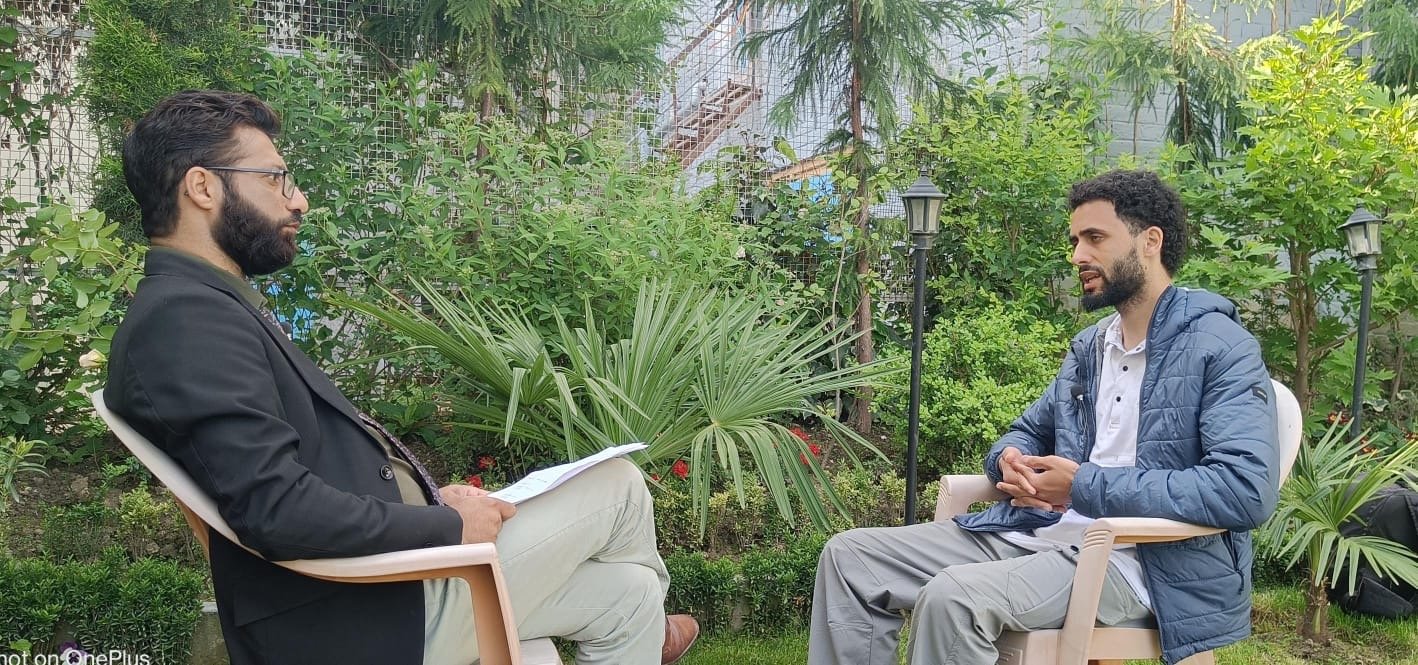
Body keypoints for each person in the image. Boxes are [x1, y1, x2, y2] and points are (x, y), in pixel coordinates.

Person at [104, 90, 699, 665]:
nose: (298, 200)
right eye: (276, 178)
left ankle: (652, 627)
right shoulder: (185, 321)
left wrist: (434, 501)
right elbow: (276, 509)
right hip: (363, 616)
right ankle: (659, 632)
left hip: (378, 593)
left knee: (628, 598)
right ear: (203, 187)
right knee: (619, 484)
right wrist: (447, 525)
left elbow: (293, 478)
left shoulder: (200, 307)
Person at [808, 170, 1280, 665]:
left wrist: (1082, 487)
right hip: (1042, 534)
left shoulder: (1220, 346)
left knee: (955, 598)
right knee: (850, 559)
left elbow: (1243, 490)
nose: (1078, 256)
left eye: (1095, 238)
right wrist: (1008, 460)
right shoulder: (1092, 346)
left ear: (1150, 242)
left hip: (1145, 564)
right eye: (1075, 241)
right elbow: (1031, 430)